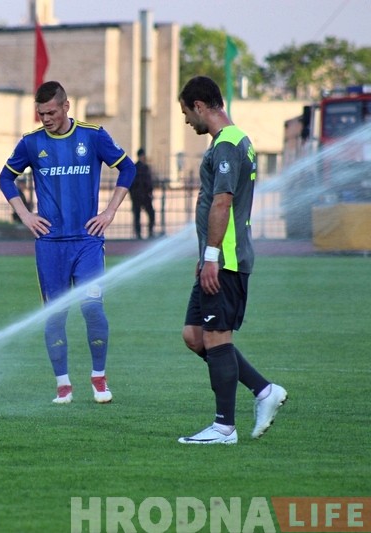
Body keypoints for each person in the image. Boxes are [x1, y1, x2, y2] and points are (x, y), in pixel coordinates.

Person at [0, 81, 136, 404]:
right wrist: (25, 215)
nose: (45, 118)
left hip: (88, 241)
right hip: (50, 245)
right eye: (40, 113)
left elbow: (127, 168)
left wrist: (110, 211)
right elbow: (5, 177)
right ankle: (63, 386)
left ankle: (99, 379)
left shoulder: (93, 135)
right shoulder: (31, 144)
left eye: (50, 112)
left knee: (92, 307)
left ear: (66, 107)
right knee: (55, 315)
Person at [177, 76, 287, 444]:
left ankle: (224, 427)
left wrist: (211, 256)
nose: (187, 122)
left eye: (186, 113)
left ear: (200, 106)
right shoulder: (236, 141)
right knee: (195, 336)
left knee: (216, 337)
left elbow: (222, 202)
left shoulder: (227, 145)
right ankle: (263, 390)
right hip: (214, 257)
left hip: (225, 260)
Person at [129, 148, 156, 239]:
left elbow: (149, 182)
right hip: (140, 195)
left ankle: (146, 232)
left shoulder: (141, 167)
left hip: (142, 195)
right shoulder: (139, 168)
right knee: (139, 215)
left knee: (149, 214)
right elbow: (147, 182)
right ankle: (141, 233)